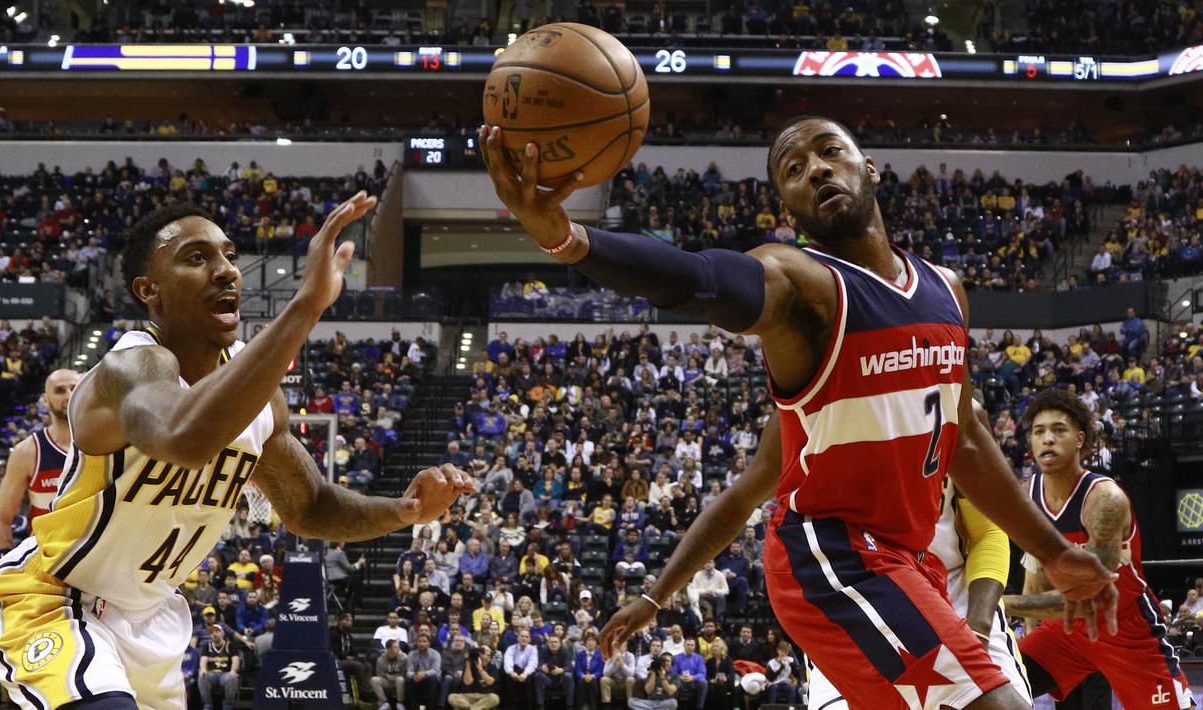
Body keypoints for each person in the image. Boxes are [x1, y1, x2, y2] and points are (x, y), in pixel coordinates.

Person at [482, 116, 1115, 709]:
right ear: (788, 210)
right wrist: (568, 238)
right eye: (792, 168)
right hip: (831, 551)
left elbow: (968, 443)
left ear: (869, 167)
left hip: (905, 558)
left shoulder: (946, 290)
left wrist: (1055, 553)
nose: (814, 169)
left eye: (828, 152)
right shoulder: (799, 283)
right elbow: (698, 278)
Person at [0, 194, 477, 710]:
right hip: (55, 598)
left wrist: (405, 510)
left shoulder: (260, 398)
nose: (225, 272)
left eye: (230, 255)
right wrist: (305, 307)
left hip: (152, 616)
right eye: (196, 258)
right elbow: (185, 437)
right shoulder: (127, 369)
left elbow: (310, 506)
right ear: (149, 290)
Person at [806, 401, 1035, 709]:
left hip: (956, 595)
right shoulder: (820, 414)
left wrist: (977, 627)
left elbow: (987, 533)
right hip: (857, 594)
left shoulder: (959, 410)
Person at [1002, 390, 1192, 709]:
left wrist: (1003, 604)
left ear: (1079, 439)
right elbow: (1035, 570)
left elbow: (1088, 594)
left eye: (1058, 430)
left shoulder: (1104, 499)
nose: (1047, 438)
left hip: (1125, 627)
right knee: (990, 685)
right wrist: (1027, 628)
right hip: (1063, 630)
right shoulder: (1028, 496)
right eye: (1039, 431)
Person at [0, 368, 79, 554]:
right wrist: (2, 558)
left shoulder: (103, 444)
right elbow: (2, 517)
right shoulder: (27, 452)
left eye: (75, 388)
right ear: (45, 400)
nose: (69, 395)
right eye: (60, 390)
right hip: (45, 561)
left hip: (92, 560)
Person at [197, 624, 239, 710]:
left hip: (225, 674)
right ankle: (207, 705)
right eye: (212, 632)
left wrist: (233, 671)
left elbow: (235, 660)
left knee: (232, 678)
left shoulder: (230, 646)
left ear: (222, 633)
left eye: (217, 631)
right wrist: (203, 669)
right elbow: (203, 660)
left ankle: (228, 706)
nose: (214, 634)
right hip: (212, 674)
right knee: (202, 676)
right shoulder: (207, 646)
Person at [448, 645, 500, 710]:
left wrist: (480, 668)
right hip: (467, 697)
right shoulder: (470, 665)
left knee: (495, 698)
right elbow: (467, 682)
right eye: (481, 650)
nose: (482, 651)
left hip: (484, 697)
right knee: (452, 697)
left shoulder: (492, 667)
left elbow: (490, 682)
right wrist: (468, 663)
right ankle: (474, 708)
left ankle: (471, 708)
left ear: (489, 657)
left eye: (485, 651)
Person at [534, 633, 574, 710]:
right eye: (551, 642)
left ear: (560, 644)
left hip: (561, 680)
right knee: (538, 676)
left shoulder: (565, 651)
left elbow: (570, 667)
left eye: (556, 642)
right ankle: (540, 706)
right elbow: (537, 666)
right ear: (548, 643)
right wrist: (542, 668)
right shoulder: (543, 651)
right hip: (547, 679)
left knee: (568, 676)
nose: (553, 644)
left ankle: (570, 706)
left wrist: (561, 670)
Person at [405, 633, 442, 710]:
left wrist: (424, 674)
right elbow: (409, 671)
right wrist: (414, 675)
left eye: (424, 641)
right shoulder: (411, 654)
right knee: (409, 680)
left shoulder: (435, 654)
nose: (421, 644)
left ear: (429, 643)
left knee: (433, 679)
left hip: (430, 679)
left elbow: (435, 670)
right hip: (416, 679)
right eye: (420, 641)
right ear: (417, 643)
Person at [371, 639, 407, 710]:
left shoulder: (404, 657)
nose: (398, 649)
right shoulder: (380, 660)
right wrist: (389, 677)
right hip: (387, 681)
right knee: (374, 680)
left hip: (398, 681)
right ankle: (384, 703)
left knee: (400, 679)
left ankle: (400, 703)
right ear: (389, 649)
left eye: (398, 647)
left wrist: (389, 676)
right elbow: (380, 675)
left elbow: (403, 674)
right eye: (396, 647)